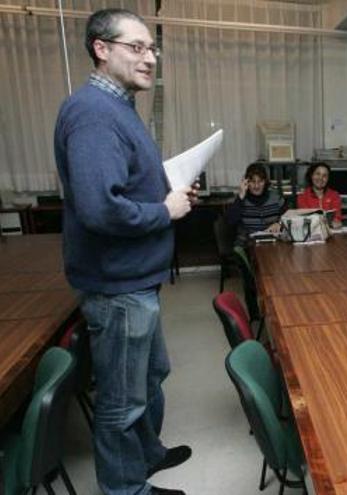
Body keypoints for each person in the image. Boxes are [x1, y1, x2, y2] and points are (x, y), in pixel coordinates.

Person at [54, 8, 191, 495]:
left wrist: (167, 193)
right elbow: (100, 209)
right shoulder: (94, 112)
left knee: (152, 374)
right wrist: (165, 212)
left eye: (153, 48)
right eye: (137, 47)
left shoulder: (118, 108)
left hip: (134, 279)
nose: (150, 58)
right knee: (121, 399)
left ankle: (146, 454)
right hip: (118, 286)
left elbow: (121, 186)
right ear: (101, 48)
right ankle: (125, 489)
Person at [226, 162, 287, 246]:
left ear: (265, 181)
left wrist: (279, 224)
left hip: (273, 243)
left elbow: (288, 217)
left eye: (260, 181)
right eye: (252, 181)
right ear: (246, 182)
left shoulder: (275, 197)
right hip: (248, 245)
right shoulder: (241, 199)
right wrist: (240, 196)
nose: (256, 186)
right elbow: (230, 221)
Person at [296, 162, 343, 228]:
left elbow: (337, 217)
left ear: (328, 179)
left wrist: (337, 222)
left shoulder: (335, 195)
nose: (320, 178)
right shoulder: (302, 196)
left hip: (330, 231)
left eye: (324, 176)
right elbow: (305, 219)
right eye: (318, 174)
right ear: (311, 175)